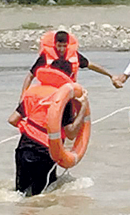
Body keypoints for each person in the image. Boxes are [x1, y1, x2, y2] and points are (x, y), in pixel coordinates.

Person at [9, 66, 90, 196]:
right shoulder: (62, 101)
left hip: (23, 149)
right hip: (45, 153)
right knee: (42, 198)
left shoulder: (32, 93)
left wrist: (30, 128)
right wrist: (83, 107)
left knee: (20, 195)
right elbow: (71, 133)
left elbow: (12, 119)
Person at [20, 30, 121, 100]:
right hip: (49, 92)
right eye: (59, 46)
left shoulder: (74, 55)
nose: (62, 49)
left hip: (67, 91)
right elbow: (29, 76)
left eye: (64, 46)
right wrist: (23, 96)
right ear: (55, 44)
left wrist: (111, 75)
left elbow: (91, 65)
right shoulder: (45, 58)